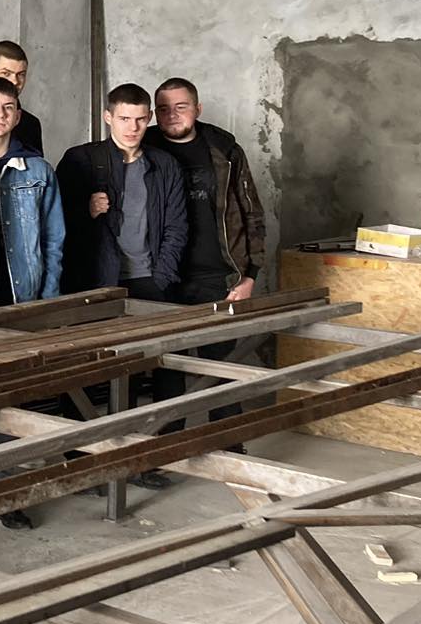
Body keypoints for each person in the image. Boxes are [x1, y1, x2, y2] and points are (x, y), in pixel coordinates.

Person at [57, 83, 189, 486]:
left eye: (140, 119)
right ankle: (82, 461)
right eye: (125, 118)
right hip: (97, 284)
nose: (133, 127)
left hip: (150, 283)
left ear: (149, 119)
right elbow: (53, 223)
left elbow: (177, 226)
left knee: (161, 367)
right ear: (108, 117)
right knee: (85, 370)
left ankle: (151, 457)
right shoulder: (80, 160)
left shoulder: (164, 165)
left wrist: (161, 277)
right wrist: (84, 210)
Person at [0, 74, 66, 527]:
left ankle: (4, 493)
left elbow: (54, 240)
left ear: (19, 116)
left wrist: (47, 301)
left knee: (11, 396)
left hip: (20, 294)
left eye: (8, 108)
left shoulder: (37, 170)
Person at [145, 76, 268, 436]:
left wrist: (250, 275)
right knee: (167, 367)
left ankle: (227, 442)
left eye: (181, 107)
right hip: (164, 276)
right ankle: (167, 445)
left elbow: (252, 213)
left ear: (197, 109)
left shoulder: (223, 149)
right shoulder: (144, 146)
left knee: (222, 365)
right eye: (163, 109)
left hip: (218, 276)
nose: (172, 115)